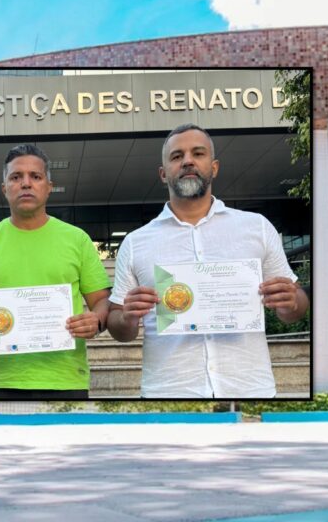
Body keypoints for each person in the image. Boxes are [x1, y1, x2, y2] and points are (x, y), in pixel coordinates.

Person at [106, 124, 309, 398]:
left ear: (214, 167)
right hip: (168, 392)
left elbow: (294, 309)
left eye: (197, 153)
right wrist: (127, 317)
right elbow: (120, 329)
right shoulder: (135, 243)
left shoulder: (256, 227)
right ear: (163, 174)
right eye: (177, 156)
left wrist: (291, 302)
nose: (188, 161)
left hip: (249, 388)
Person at [0, 144, 112, 399]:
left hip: (65, 380)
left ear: (49, 187)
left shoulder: (77, 239)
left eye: (35, 177)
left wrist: (97, 319)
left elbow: (103, 302)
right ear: (4, 188)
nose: (26, 184)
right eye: (16, 177)